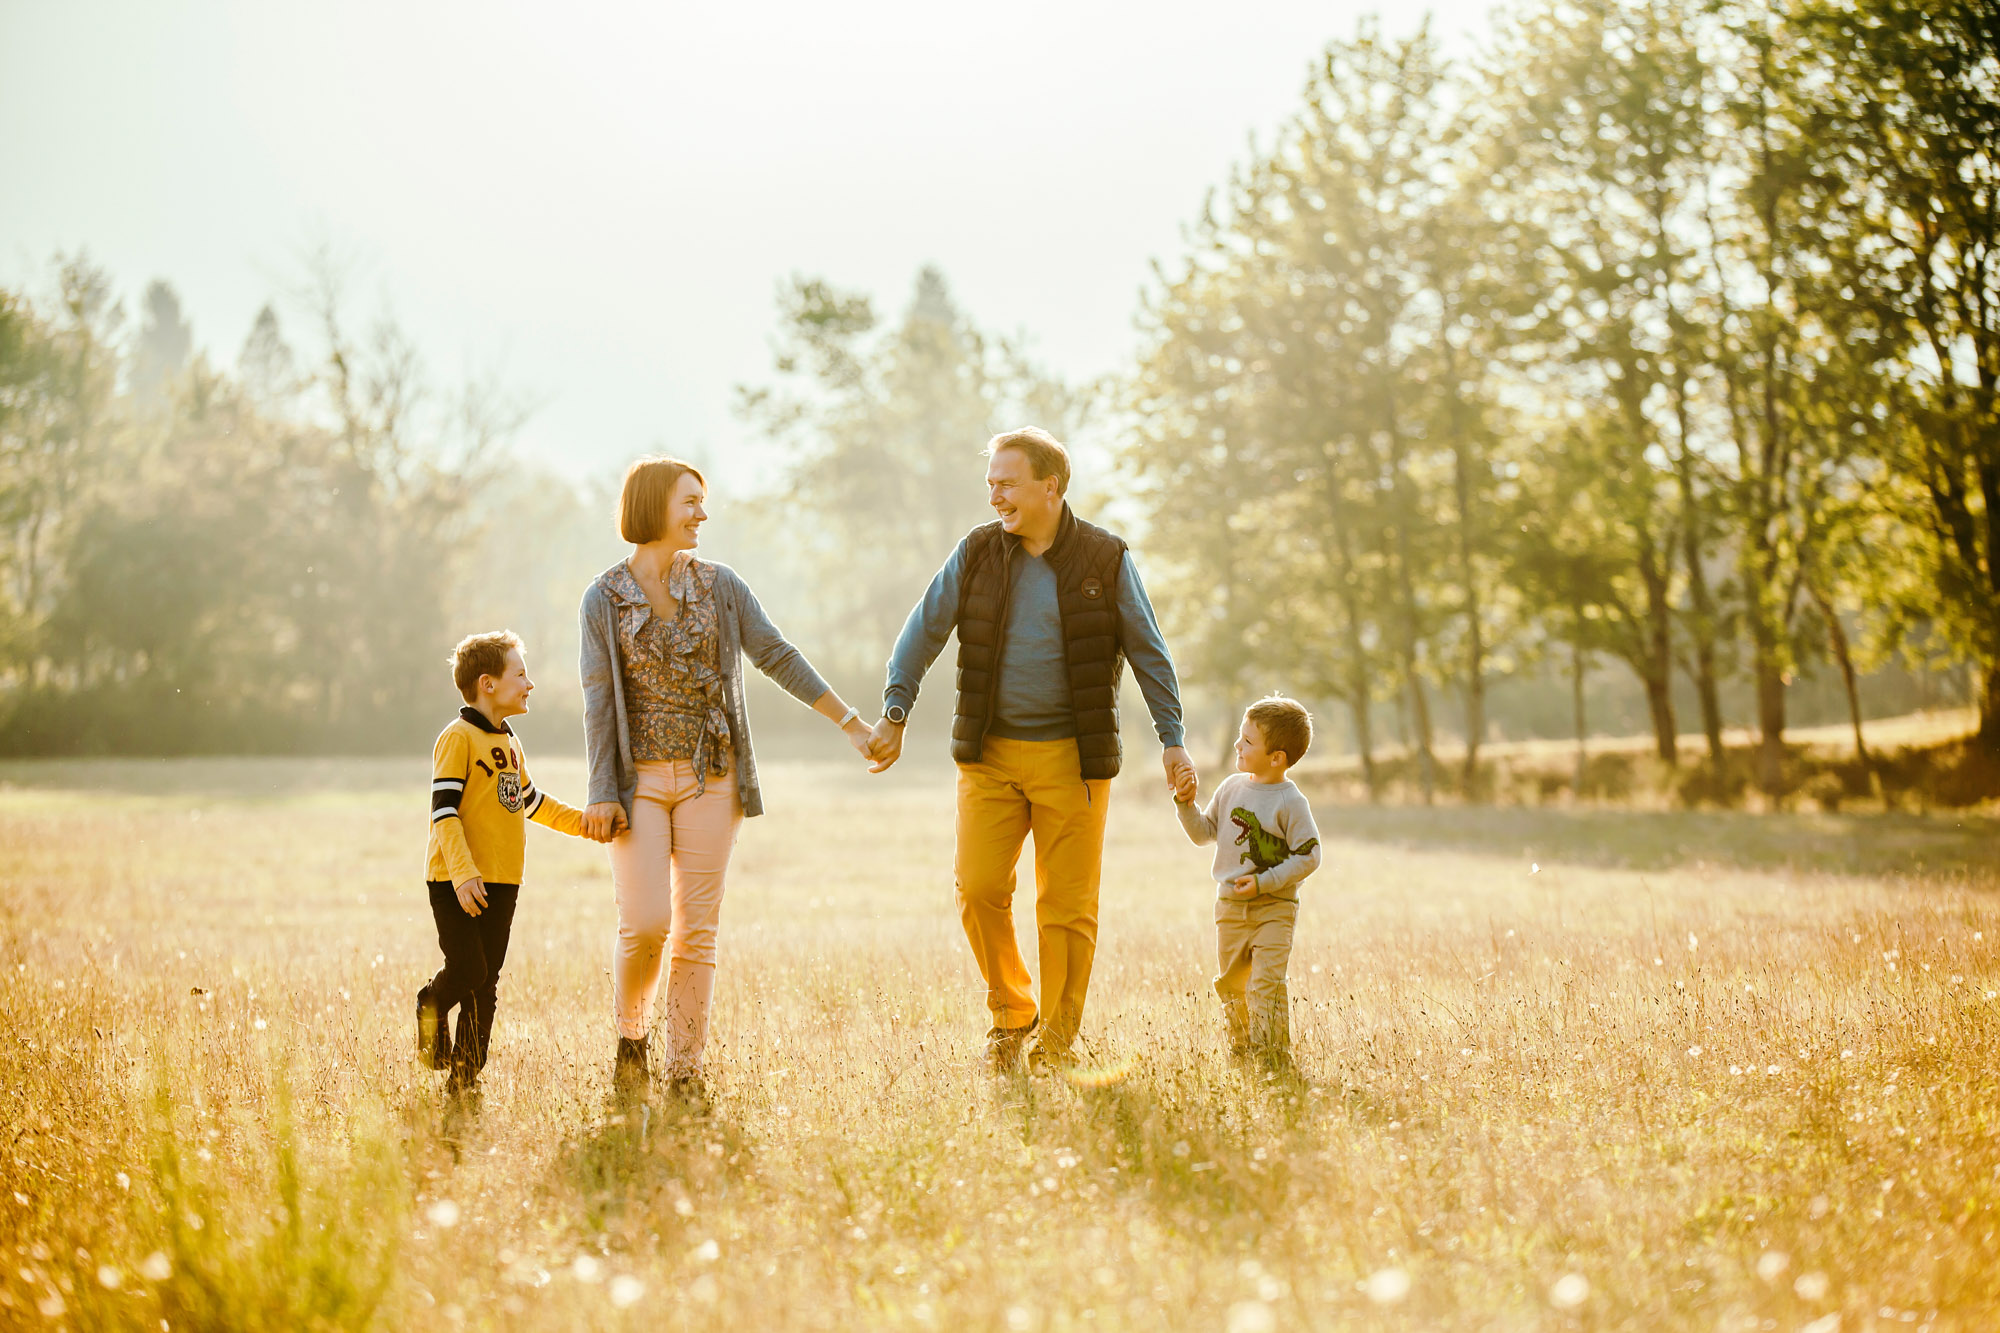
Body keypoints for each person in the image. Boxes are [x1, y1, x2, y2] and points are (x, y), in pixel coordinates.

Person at [866, 426, 1195, 1074]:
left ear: (1051, 485)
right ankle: (1014, 1008)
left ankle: (1058, 1042)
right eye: (990, 483)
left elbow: (1149, 652)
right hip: (989, 758)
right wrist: (895, 709)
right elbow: (922, 628)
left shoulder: (1106, 558)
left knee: (1066, 910)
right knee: (979, 888)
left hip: (1074, 762)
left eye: (1006, 483)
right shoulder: (978, 553)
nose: (995, 496)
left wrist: (1172, 738)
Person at [580, 455, 875, 1098]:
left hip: (714, 776)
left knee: (697, 929)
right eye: (690, 502)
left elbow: (777, 656)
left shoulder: (721, 587)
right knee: (647, 923)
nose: (701, 515)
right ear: (654, 506)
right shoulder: (602, 599)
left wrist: (850, 722)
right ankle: (632, 1039)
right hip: (639, 785)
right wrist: (602, 790)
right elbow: (599, 700)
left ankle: (684, 1072)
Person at [419, 631, 601, 1097]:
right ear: (488, 683)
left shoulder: (510, 743)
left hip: (503, 880)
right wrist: (462, 873)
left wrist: (586, 824)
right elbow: (443, 814)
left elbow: (531, 802)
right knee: (469, 969)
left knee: (487, 981)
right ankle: (431, 1004)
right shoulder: (457, 738)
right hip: (456, 880)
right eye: (520, 674)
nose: (530, 683)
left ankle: (464, 1079)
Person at [1175, 697, 1323, 1063]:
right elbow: (1204, 832)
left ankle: (1271, 1056)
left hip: (1274, 907)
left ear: (1277, 757)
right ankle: (1242, 1050)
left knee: (1266, 984)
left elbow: (1310, 855)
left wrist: (1265, 882)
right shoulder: (1231, 787)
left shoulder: (1291, 801)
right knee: (1232, 984)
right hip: (1229, 907)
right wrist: (1185, 803)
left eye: (1247, 741)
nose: (1238, 745)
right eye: (1240, 737)